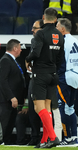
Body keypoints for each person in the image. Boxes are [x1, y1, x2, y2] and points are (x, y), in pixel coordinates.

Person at [25, 7, 64, 148]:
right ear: (55, 20)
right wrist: (54, 69)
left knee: (38, 107)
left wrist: (27, 59)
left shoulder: (40, 34)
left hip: (40, 74)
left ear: (43, 17)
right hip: (53, 74)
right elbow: (61, 58)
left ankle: (53, 138)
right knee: (47, 108)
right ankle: (44, 140)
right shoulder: (59, 35)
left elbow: (35, 52)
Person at [0, 39, 25, 145]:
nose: (21, 50)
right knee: (3, 124)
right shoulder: (5, 60)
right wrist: (11, 97)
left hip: (11, 100)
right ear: (15, 48)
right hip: (5, 99)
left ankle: (4, 143)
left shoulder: (13, 61)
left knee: (9, 124)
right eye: (20, 48)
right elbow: (2, 81)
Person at [56, 18, 78, 146]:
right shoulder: (76, 41)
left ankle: (68, 137)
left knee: (64, 108)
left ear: (63, 29)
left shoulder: (62, 42)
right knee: (70, 108)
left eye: (57, 26)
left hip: (65, 77)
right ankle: (74, 137)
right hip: (76, 76)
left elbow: (60, 62)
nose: (56, 29)